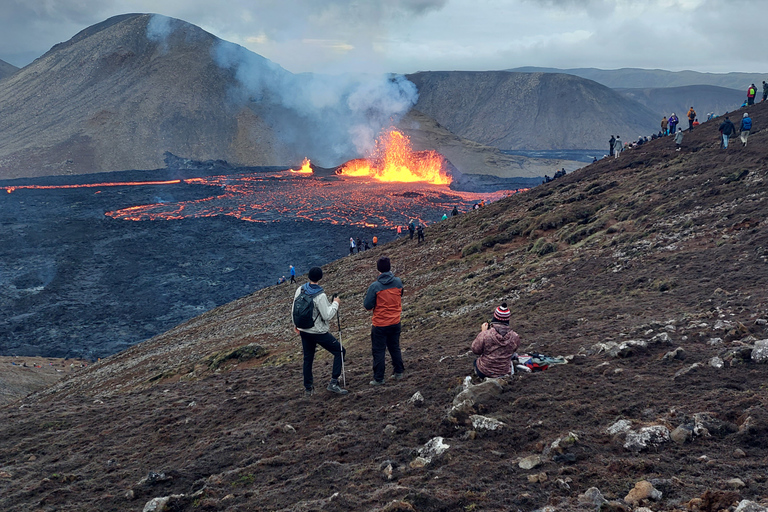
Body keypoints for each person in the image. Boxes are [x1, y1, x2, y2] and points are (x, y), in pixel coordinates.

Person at [293, 266, 347, 396]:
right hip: (318, 332)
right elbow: (327, 315)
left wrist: (296, 325)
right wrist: (336, 303)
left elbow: (294, 308)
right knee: (340, 351)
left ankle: (308, 389)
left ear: (308, 276)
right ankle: (333, 383)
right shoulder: (320, 295)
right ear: (320, 278)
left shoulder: (300, 289)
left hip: (304, 330)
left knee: (308, 358)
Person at [364, 257, 404, 386]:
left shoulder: (375, 286)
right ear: (390, 267)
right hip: (395, 321)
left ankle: (379, 378)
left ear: (378, 269)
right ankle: (399, 372)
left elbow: (367, 305)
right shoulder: (398, 282)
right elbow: (400, 294)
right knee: (394, 347)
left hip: (380, 324)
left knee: (379, 351)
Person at [470, 303, 521, 379]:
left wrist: (482, 332)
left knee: (476, 361)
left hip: (484, 371)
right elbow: (513, 350)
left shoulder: (486, 335)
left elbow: (475, 350)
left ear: (495, 318)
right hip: (505, 372)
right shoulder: (515, 336)